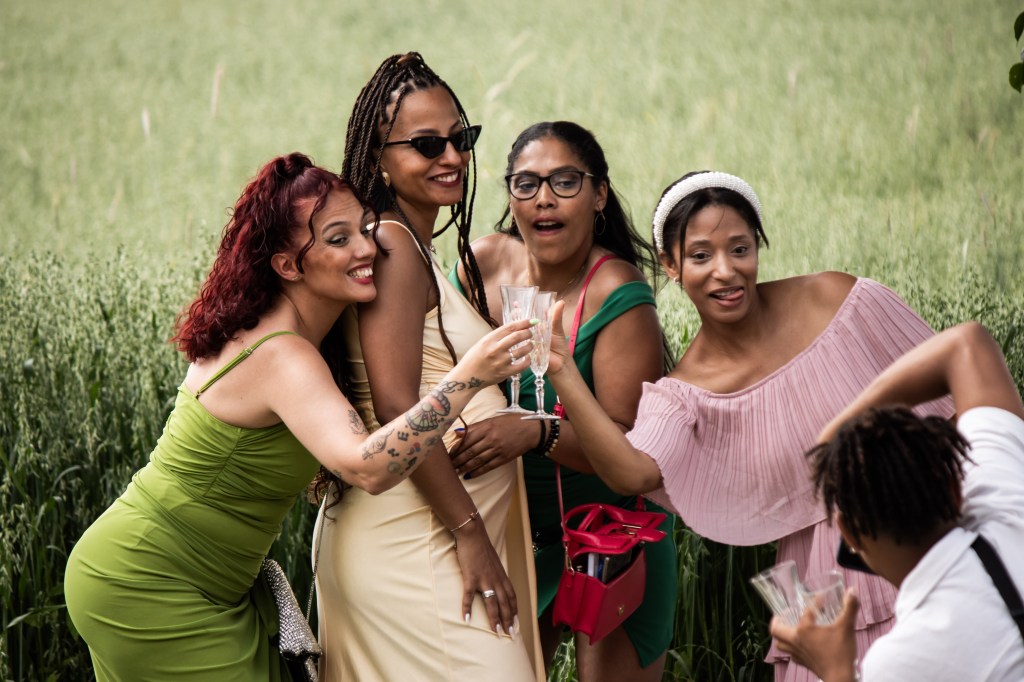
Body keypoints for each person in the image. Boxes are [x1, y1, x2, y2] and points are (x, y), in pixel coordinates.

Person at [62, 153, 536, 681]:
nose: (366, 249)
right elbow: (366, 467)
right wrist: (470, 375)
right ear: (288, 266)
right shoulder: (281, 354)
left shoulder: (296, 337)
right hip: (148, 580)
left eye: (366, 229)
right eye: (338, 239)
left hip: (212, 584)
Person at [541, 171, 955, 681]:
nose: (726, 271)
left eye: (740, 249)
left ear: (758, 245)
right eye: (700, 256)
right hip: (821, 587)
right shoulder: (686, 394)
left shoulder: (838, 299)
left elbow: (955, 391)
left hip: (930, 539)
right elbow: (633, 472)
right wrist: (562, 372)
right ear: (670, 265)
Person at [313, 53, 544, 680]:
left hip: (427, 532)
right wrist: (470, 533)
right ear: (379, 158)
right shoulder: (391, 245)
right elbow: (395, 402)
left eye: (460, 138)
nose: (452, 156)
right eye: (426, 144)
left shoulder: (409, 244)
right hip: (416, 544)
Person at [448, 121, 676, 681]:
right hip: (513, 539)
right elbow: (438, 372)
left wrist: (535, 431)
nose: (544, 198)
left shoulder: (617, 292)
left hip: (612, 536)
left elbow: (626, 450)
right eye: (526, 183)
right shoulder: (482, 266)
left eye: (565, 181)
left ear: (599, 195)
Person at [770, 322, 1024, 681]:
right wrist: (836, 431)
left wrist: (835, 670)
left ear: (850, 534)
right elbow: (967, 343)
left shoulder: (902, 660)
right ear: (956, 487)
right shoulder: (1003, 492)